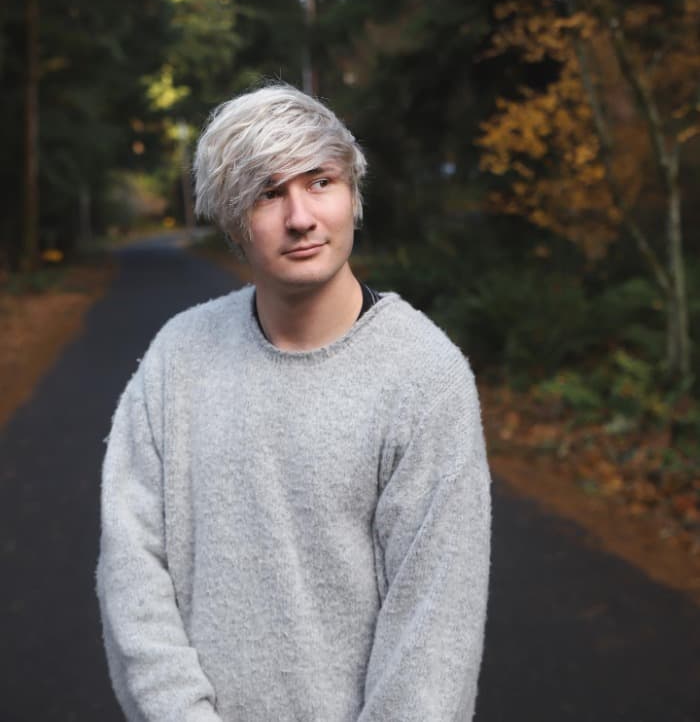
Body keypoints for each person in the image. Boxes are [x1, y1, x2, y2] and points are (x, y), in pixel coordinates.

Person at [96, 83, 491, 722]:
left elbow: (434, 630)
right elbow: (132, 565)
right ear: (231, 220)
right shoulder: (177, 359)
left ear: (353, 195)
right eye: (268, 193)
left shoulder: (425, 377)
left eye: (320, 182)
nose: (301, 216)